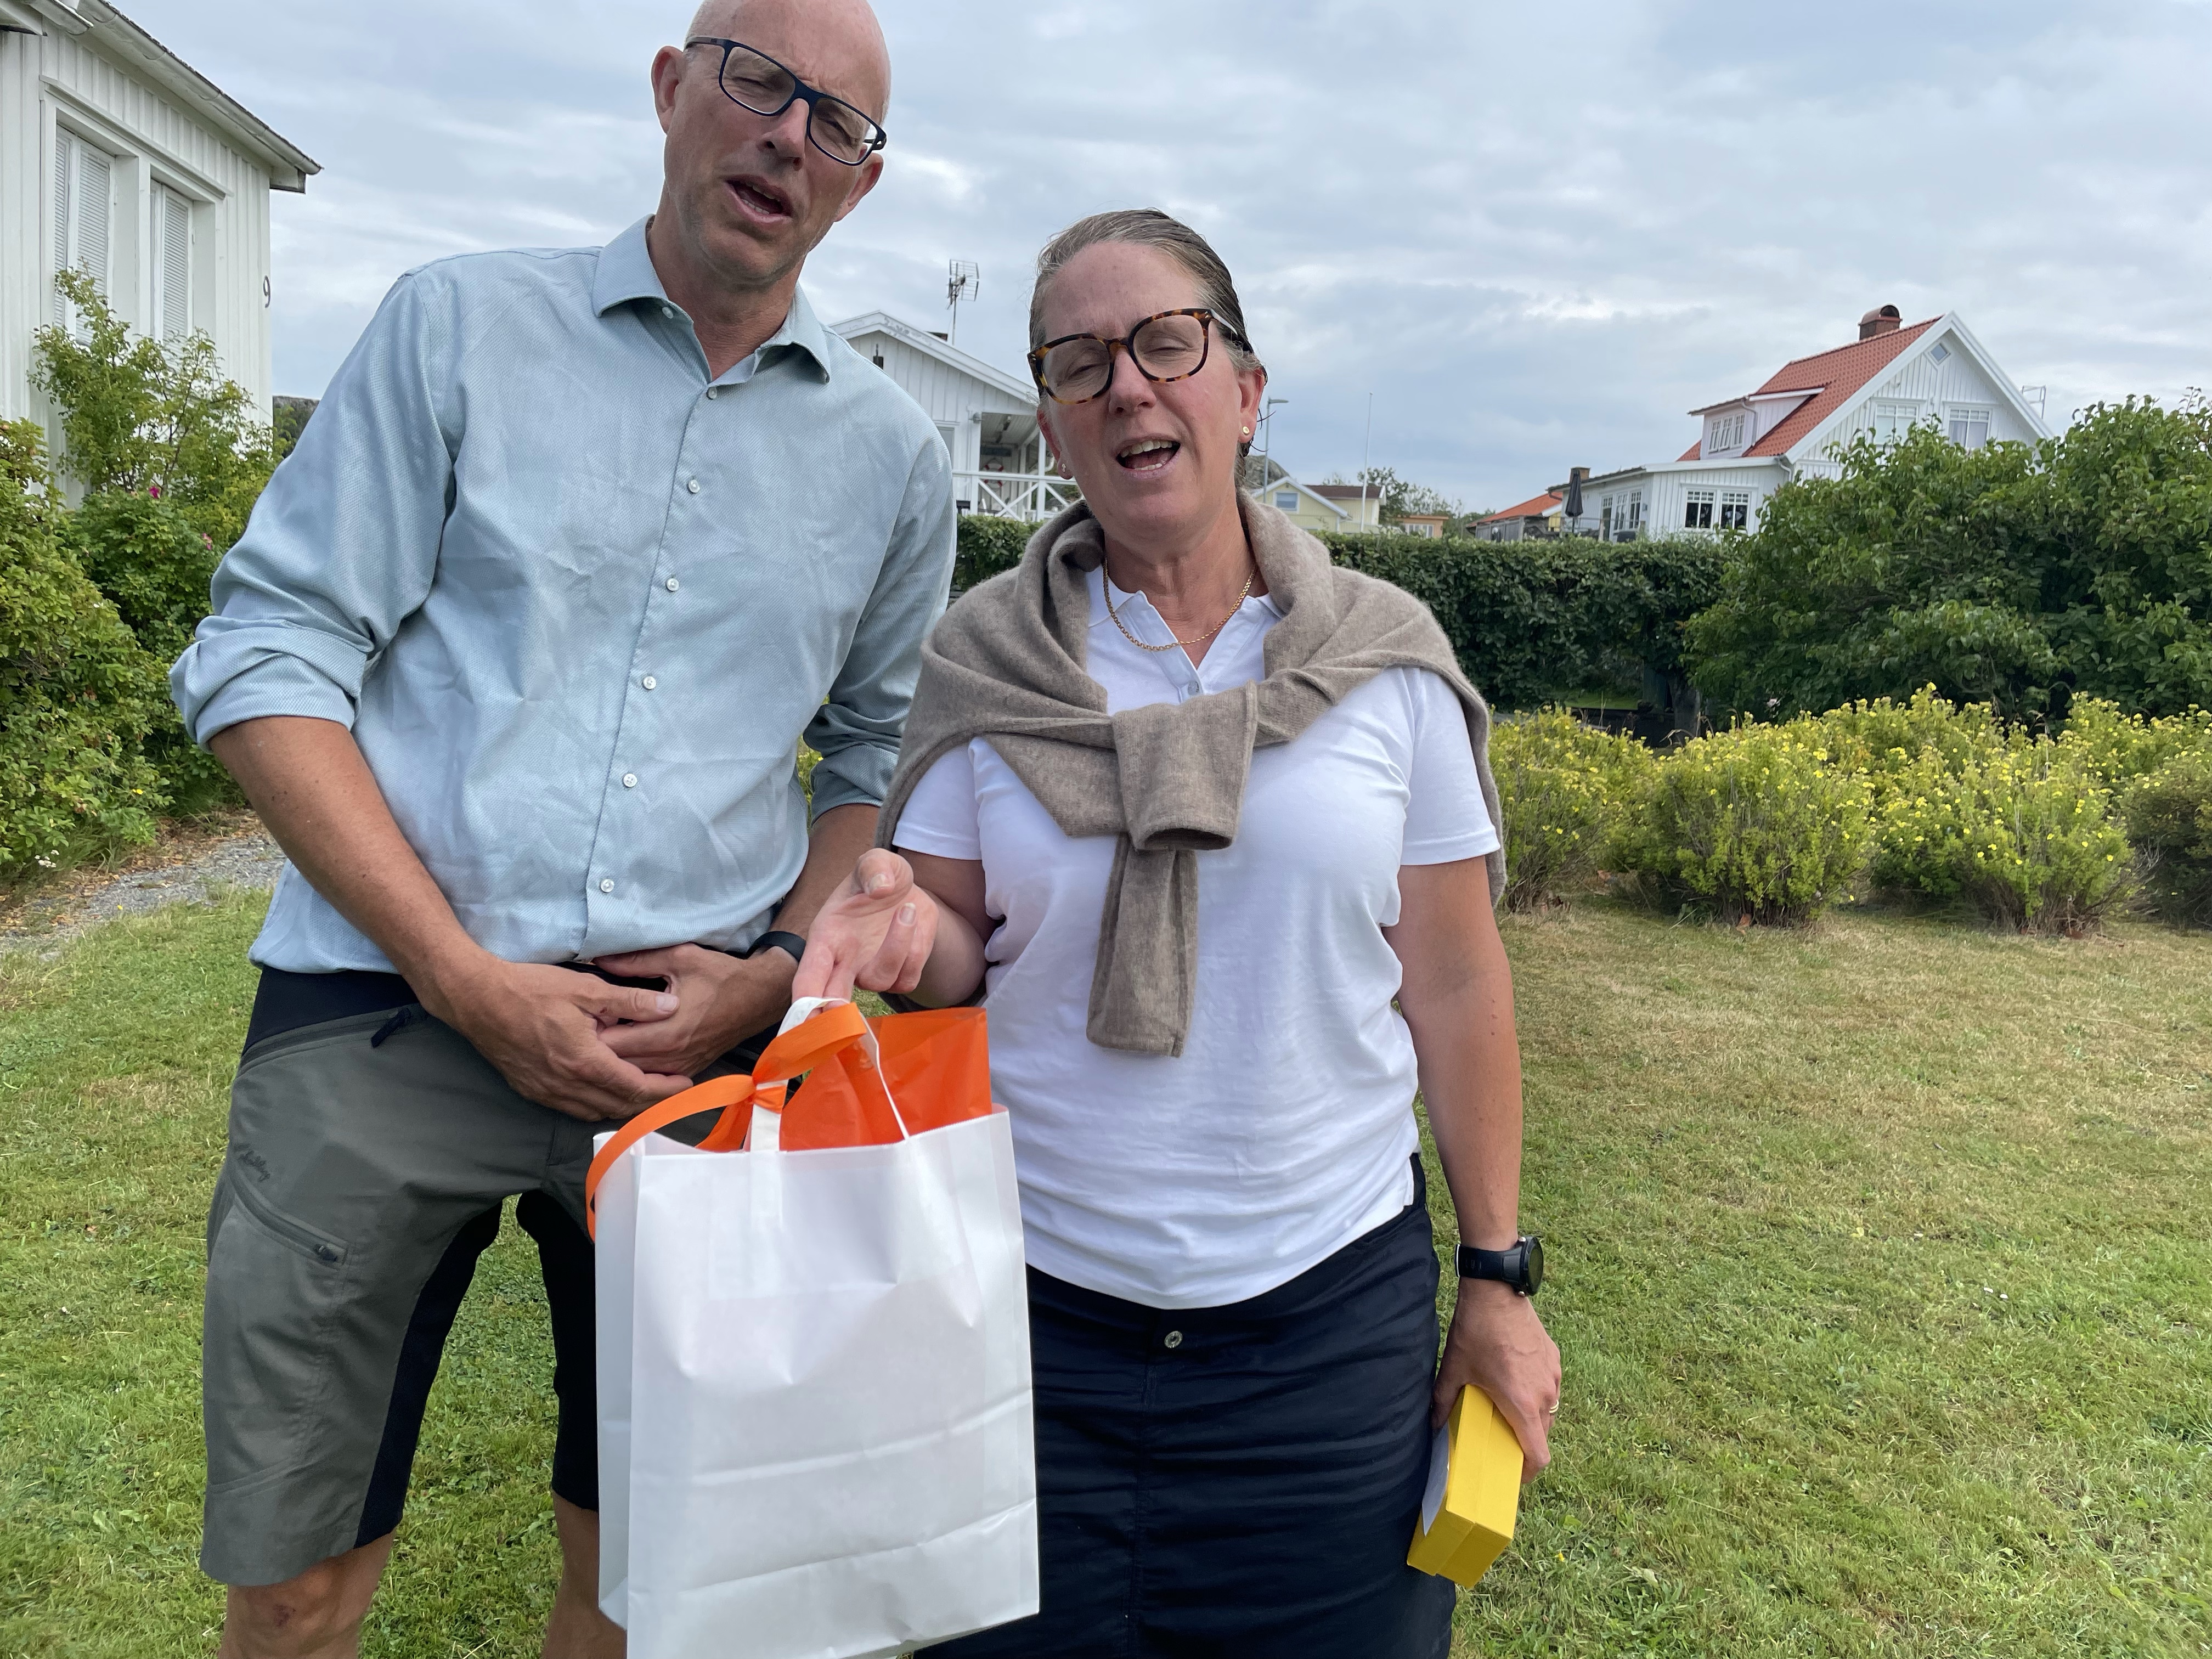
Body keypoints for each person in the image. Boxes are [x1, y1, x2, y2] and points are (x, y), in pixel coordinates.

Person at [168, 2, 951, 1652]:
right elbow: (269, 655)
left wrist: (777, 973)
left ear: (863, 183)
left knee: (645, 1583)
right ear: (671, 88)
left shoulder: (890, 458)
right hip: (386, 1015)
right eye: (758, 79)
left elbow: (874, 755)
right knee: (295, 1582)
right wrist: (457, 972)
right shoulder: (457, 328)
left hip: (697, 1059)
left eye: (840, 122)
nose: (790, 134)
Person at [796, 209, 1563, 1656]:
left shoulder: (1386, 666)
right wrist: (905, 933)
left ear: (1246, 392)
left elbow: (1459, 988)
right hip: (1031, 1330)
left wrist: (1500, 1280)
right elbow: (956, 957)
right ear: (1050, 426)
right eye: (1080, 364)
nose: (1128, 387)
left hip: (1325, 1344)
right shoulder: (988, 662)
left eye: (1167, 344)